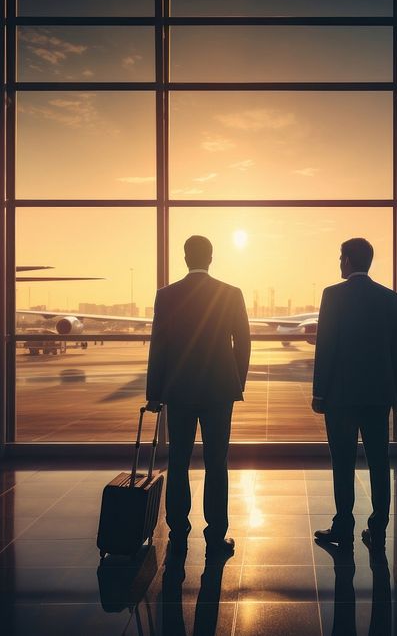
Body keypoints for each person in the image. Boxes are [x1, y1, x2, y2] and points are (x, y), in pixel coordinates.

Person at [146, 235, 251, 559]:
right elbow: (243, 343)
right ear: (211, 256)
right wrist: (237, 383)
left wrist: (154, 393)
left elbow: (159, 347)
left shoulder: (167, 295)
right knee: (216, 464)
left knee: (178, 461)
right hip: (219, 390)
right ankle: (216, 535)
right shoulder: (231, 293)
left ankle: (178, 532)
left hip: (178, 390)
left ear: (185, 256)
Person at [312, 237, 397, 549]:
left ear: (348, 261)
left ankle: (343, 525)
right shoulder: (390, 298)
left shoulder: (332, 295)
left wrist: (319, 393)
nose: (339, 263)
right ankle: (378, 527)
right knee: (380, 462)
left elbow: (325, 347)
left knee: (343, 462)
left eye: (341, 257)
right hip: (379, 396)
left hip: (341, 397)